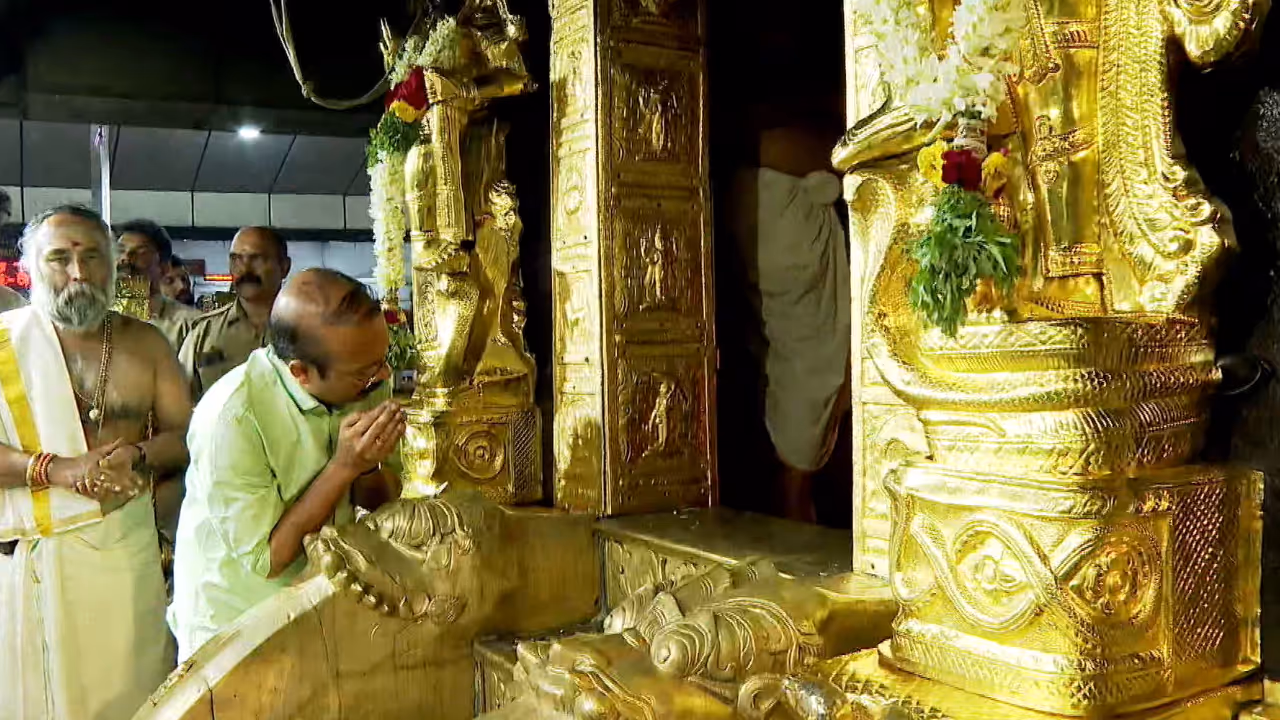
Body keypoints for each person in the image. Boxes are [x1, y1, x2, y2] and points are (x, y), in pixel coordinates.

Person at [0, 205, 192, 720]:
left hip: (123, 554)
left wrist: (137, 454)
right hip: (35, 556)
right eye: (59, 258)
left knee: (132, 697)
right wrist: (57, 470)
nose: (78, 273)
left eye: (91, 257)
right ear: (30, 268)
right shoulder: (4, 345)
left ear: (112, 264)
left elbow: (185, 437)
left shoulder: (147, 343)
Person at [170, 268, 403, 661]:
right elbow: (269, 560)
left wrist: (367, 465)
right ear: (301, 373)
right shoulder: (233, 417)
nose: (382, 376)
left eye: (383, 361)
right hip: (238, 627)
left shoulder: (366, 378)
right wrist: (343, 467)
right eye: (365, 372)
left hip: (322, 606)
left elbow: (382, 501)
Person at [178, 227, 291, 400]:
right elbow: (181, 402)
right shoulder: (203, 334)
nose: (244, 269)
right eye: (236, 259)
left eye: (256, 259)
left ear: (284, 266)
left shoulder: (310, 330)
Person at [116, 219, 202, 348]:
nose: (126, 259)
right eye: (120, 251)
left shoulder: (191, 325)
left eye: (141, 253)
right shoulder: (99, 320)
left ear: (164, 267)